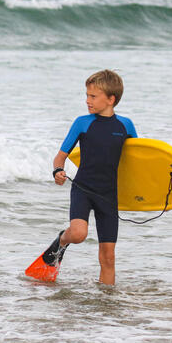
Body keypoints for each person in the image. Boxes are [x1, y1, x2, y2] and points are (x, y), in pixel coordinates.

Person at [46, 69, 137, 285]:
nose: (87, 100)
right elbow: (59, 158)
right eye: (87, 95)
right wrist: (58, 171)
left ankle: (106, 305)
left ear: (111, 99)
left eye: (93, 96)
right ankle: (61, 241)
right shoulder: (82, 123)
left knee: (108, 257)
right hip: (83, 189)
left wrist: (141, 194)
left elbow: (135, 163)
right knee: (78, 234)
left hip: (109, 195)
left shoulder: (126, 126)